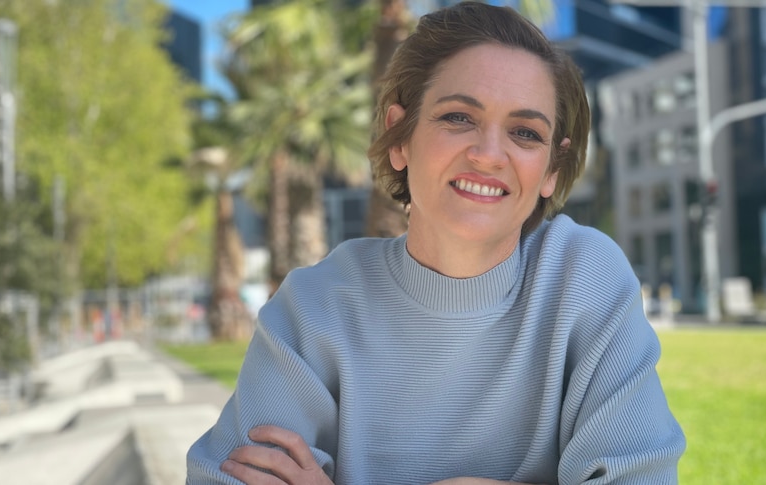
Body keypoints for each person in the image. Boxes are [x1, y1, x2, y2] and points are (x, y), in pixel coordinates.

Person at [186, 2, 686, 484]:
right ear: (400, 137)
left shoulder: (586, 279)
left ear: (552, 169)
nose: (489, 155)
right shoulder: (315, 307)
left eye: (525, 133)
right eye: (458, 118)